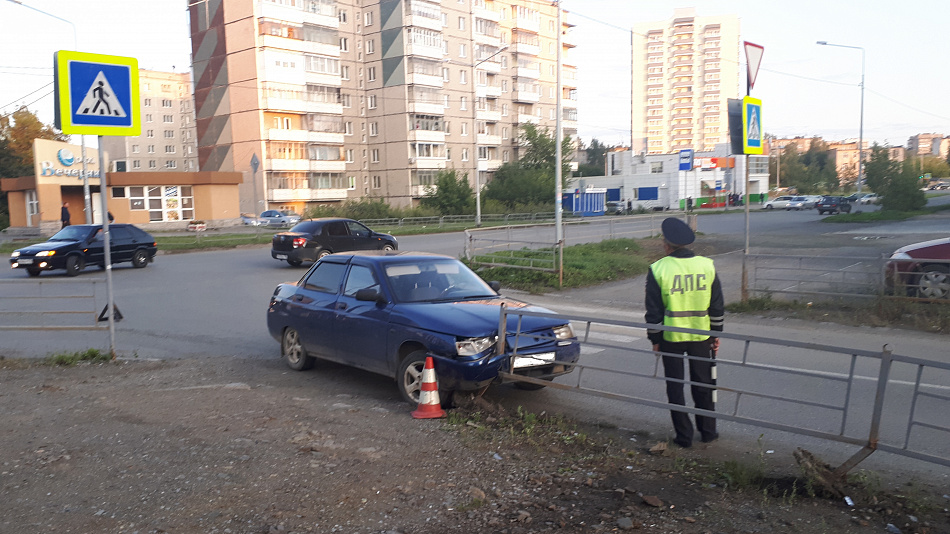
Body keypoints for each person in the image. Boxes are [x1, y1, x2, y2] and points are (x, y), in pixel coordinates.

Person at [645, 217, 724, 448]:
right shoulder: (707, 265)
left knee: (675, 387)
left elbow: (654, 311)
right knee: (703, 385)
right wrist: (715, 335)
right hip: (702, 336)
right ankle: (708, 432)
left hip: (671, 338)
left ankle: (684, 437)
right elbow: (717, 305)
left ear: (666, 243)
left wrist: (655, 339)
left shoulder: (658, 269)